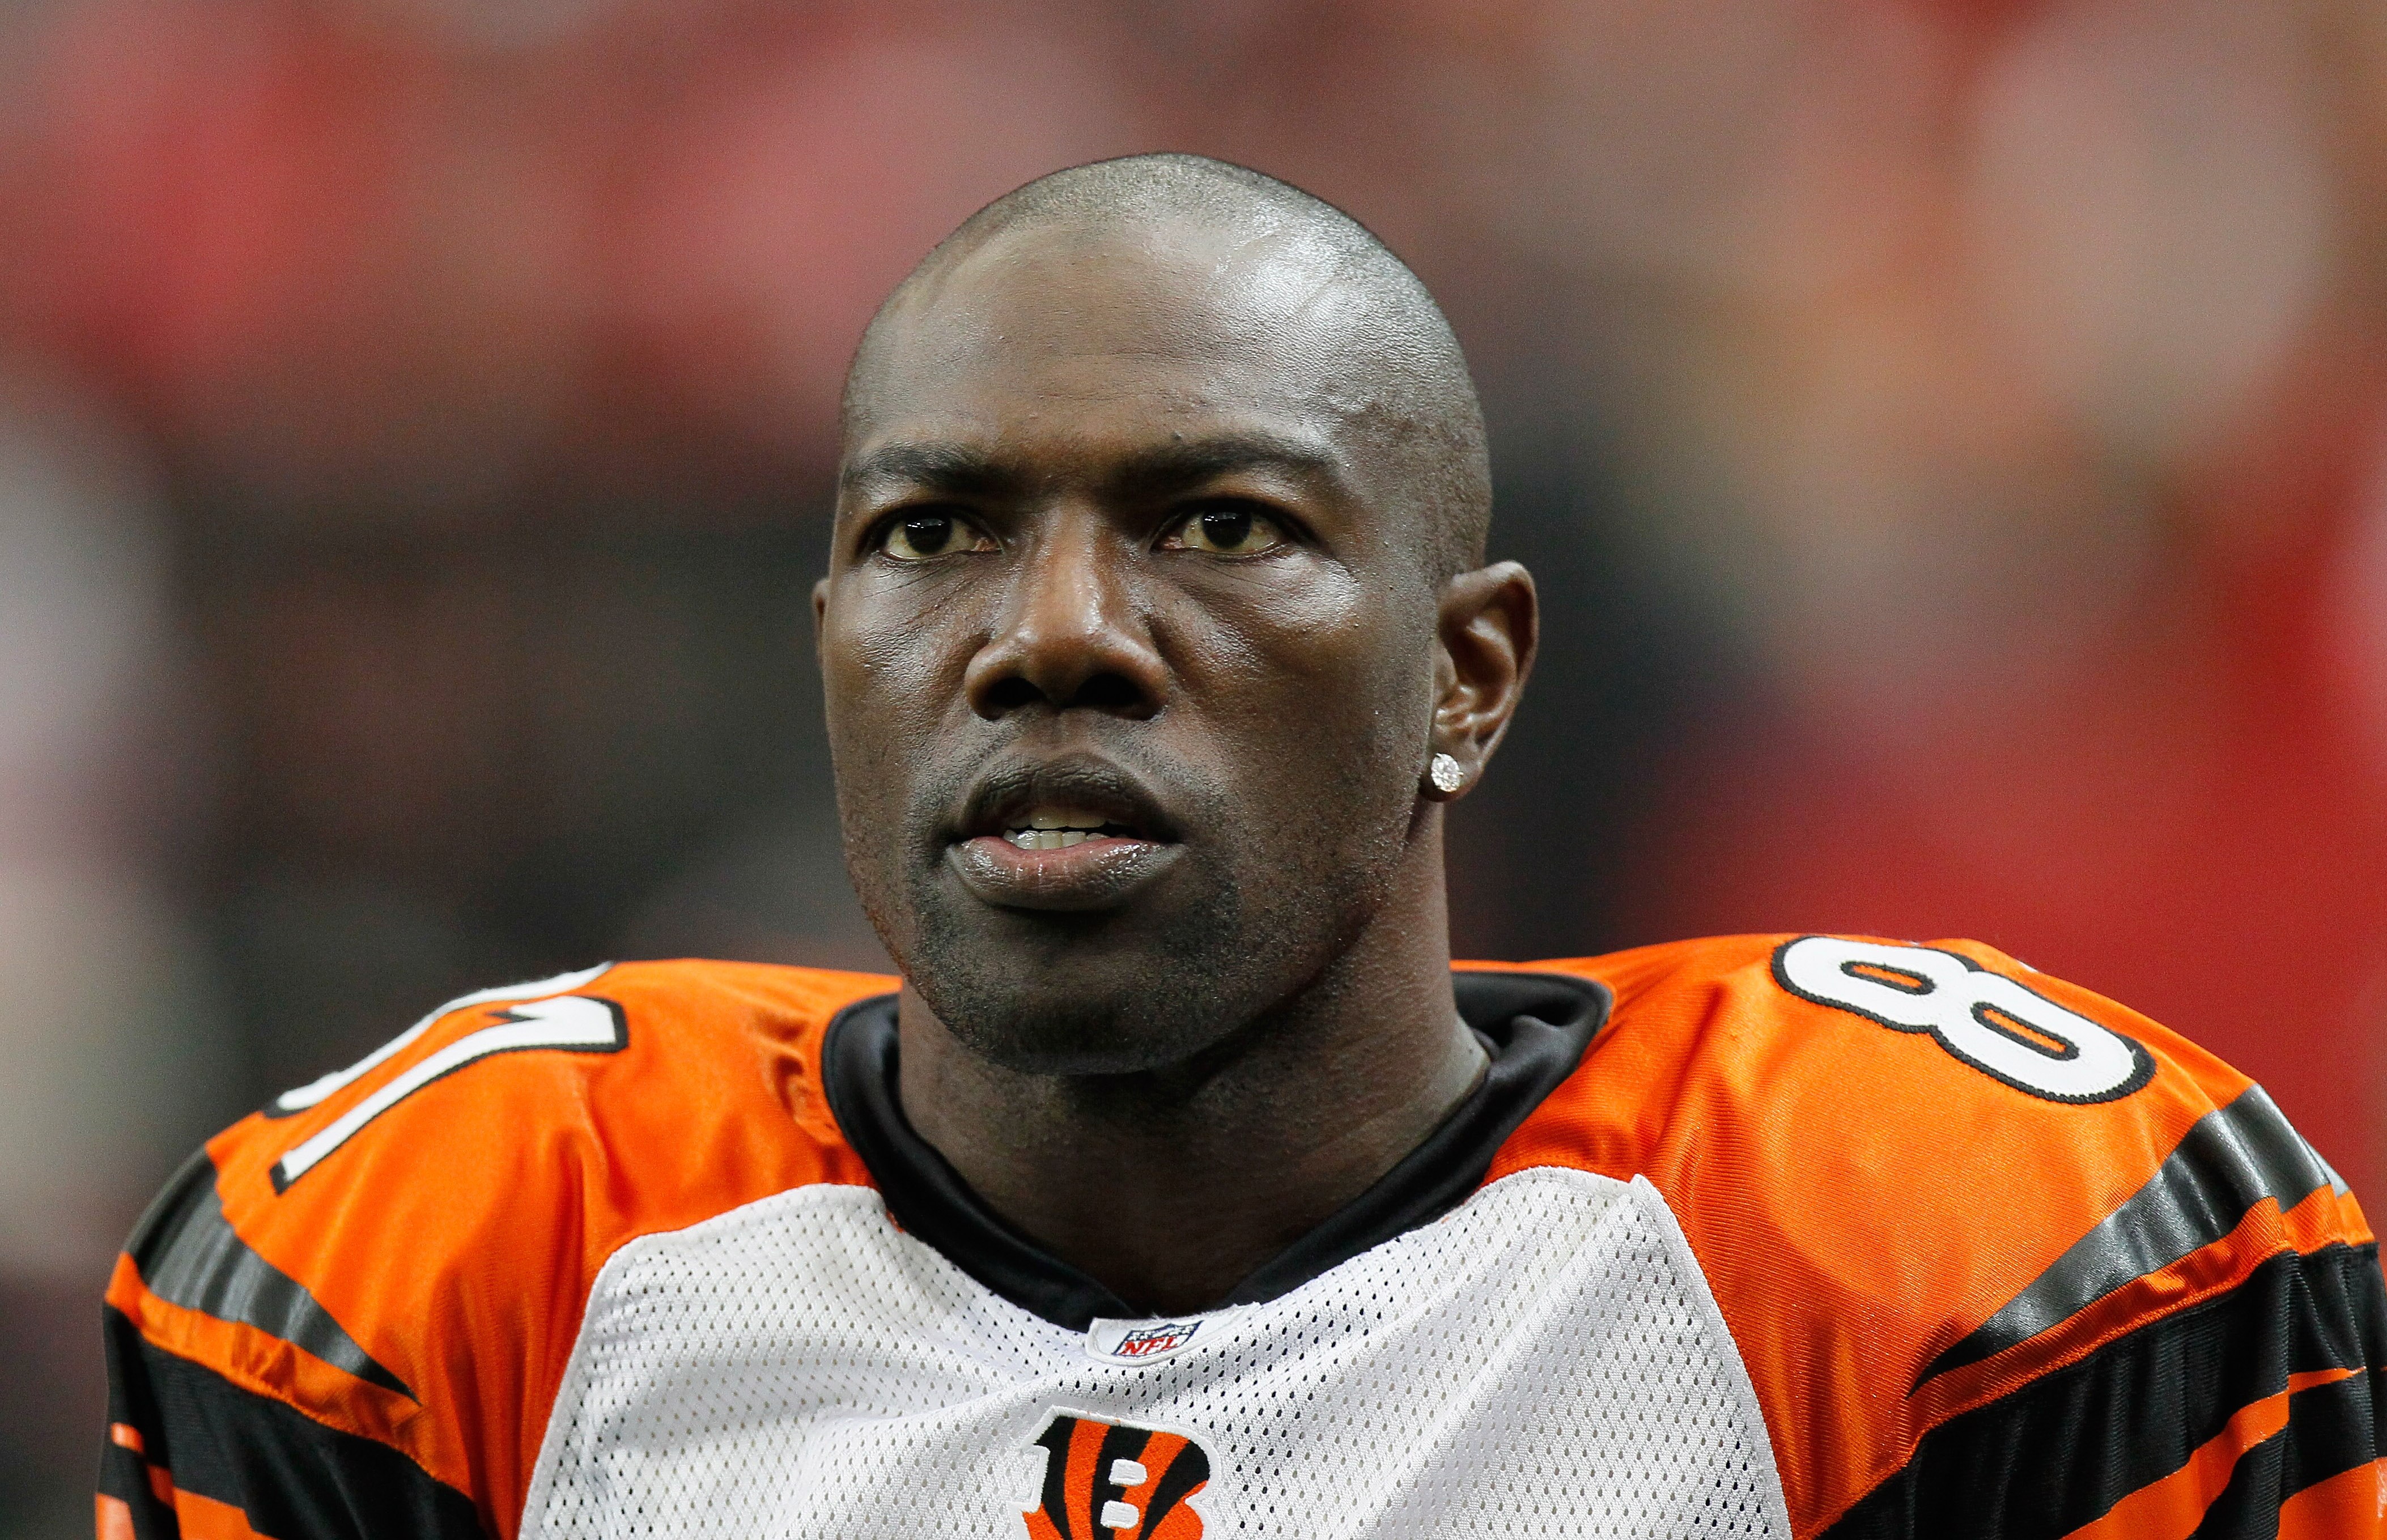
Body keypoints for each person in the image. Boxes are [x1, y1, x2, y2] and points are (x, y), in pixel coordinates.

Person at [97, 154, 2385, 1540]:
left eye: (1219, 522)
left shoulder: (1963, 1263)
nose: (1055, 635)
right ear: (828, 650)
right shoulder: (444, 1274)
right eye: (937, 531)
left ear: (1469, 673)